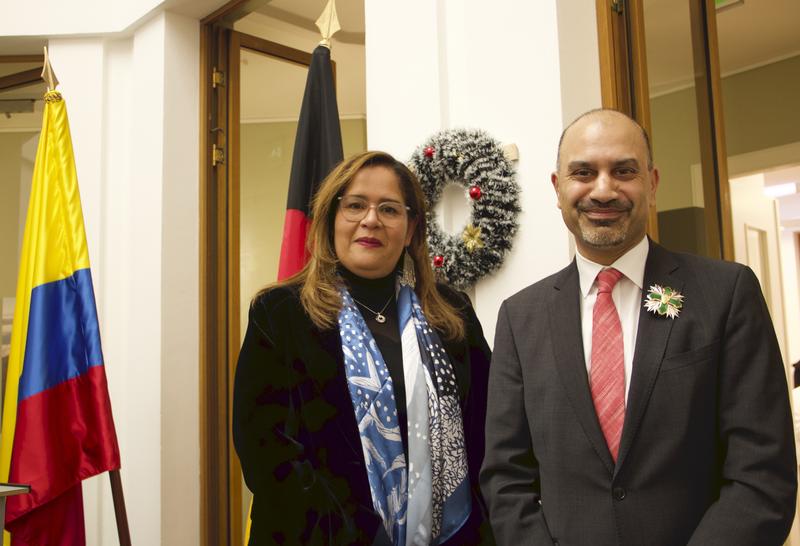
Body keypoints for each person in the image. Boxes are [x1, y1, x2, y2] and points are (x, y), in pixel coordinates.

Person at [480, 109, 797, 545]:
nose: (604, 189)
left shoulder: (726, 294)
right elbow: (506, 477)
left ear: (652, 182)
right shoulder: (520, 316)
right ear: (558, 188)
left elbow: (762, 476)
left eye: (624, 171)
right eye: (583, 172)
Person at [234, 151, 494, 545]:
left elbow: (486, 432)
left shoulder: (452, 314)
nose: (370, 220)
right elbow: (266, 454)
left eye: (389, 209)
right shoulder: (280, 313)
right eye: (355, 205)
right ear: (332, 219)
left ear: (410, 230)